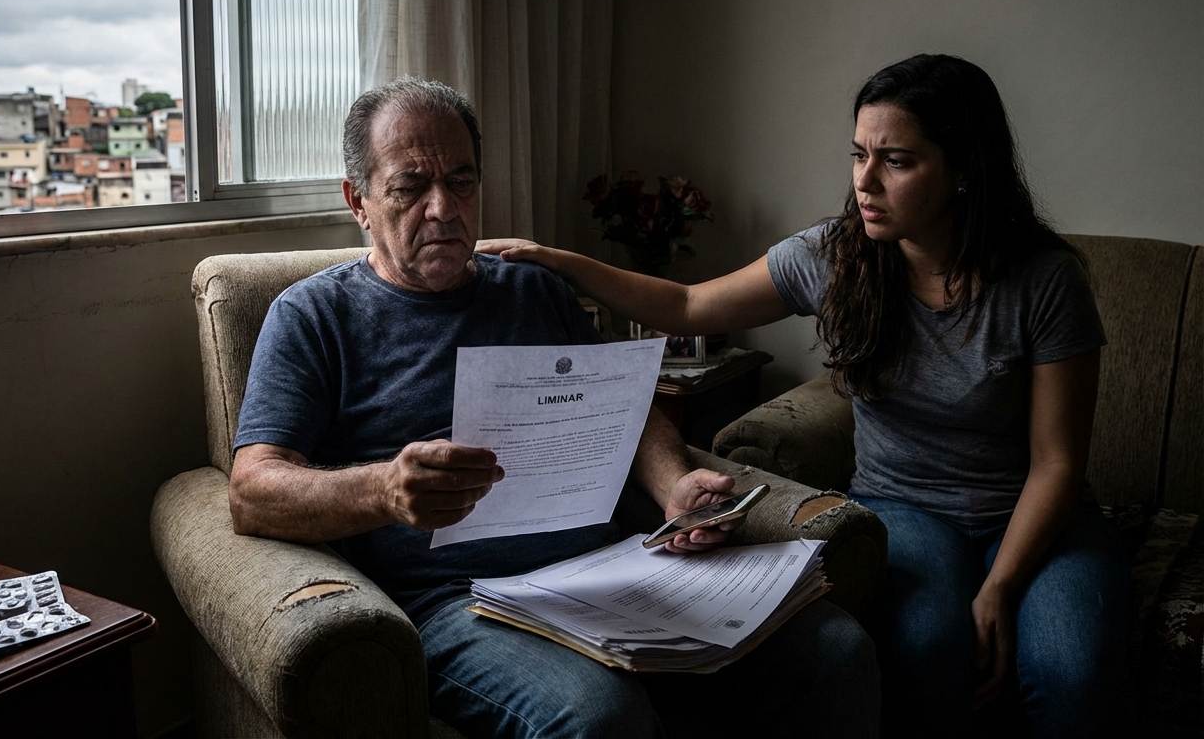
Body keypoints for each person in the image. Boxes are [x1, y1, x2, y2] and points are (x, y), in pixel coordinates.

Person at [483, 54, 1131, 737]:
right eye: (859, 155)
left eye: (898, 161)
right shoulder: (833, 256)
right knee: (925, 646)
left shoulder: (1045, 281)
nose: (865, 182)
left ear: (964, 169)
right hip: (905, 507)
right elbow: (687, 302)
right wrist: (559, 260)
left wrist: (1000, 584)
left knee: (1071, 670)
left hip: (1029, 513)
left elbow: (1057, 461)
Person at [230, 75, 879, 738]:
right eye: (409, 187)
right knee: (600, 718)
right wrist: (385, 491)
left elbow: (627, 407)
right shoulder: (313, 314)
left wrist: (671, 484)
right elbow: (251, 492)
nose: (442, 209)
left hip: (605, 569)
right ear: (359, 201)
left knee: (834, 646)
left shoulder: (534, 292)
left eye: (461, 182)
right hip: (458, 600)